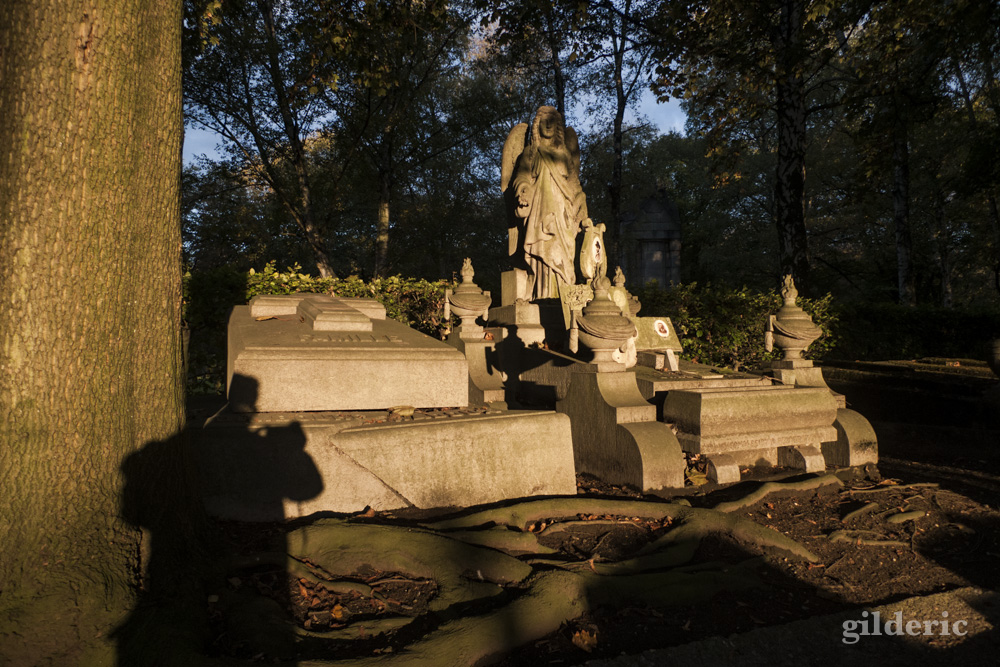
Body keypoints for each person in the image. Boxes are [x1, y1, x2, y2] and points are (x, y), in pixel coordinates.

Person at [506, 106, 588, 299]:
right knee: (543, 250)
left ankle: (565, 296)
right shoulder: (531, 153)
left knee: (564, 256)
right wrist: (523, 190)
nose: (549, 125)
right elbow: (521, 178)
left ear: (558, 126)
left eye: (553, 121)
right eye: (544, 121)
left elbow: (574, 182)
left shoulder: (564, 154)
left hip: (563, 212)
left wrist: (581, 200)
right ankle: (543, 295)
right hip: (540, 209)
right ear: (538, 125)